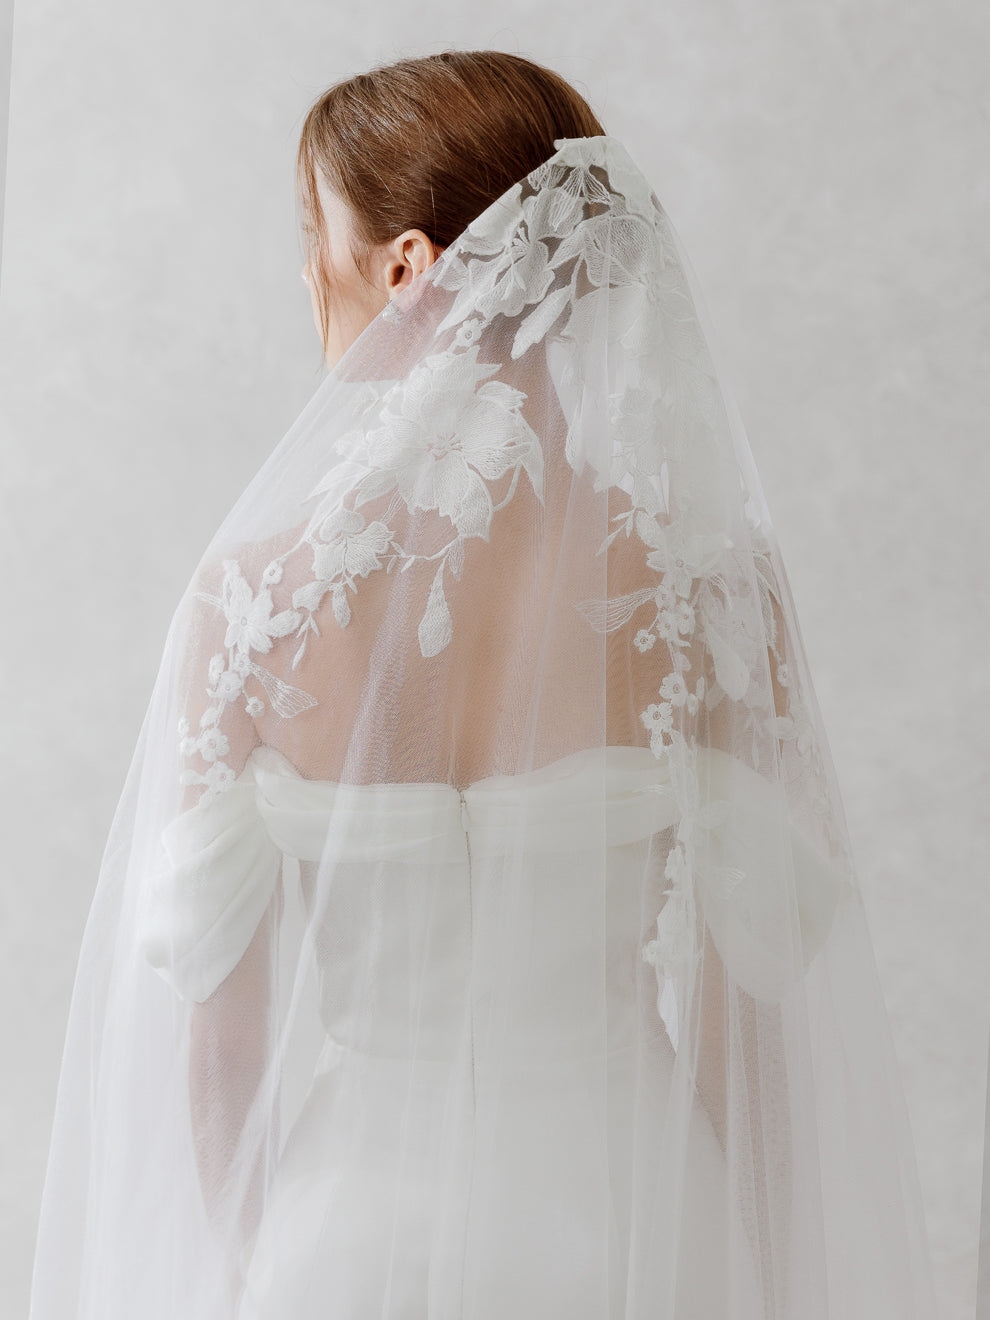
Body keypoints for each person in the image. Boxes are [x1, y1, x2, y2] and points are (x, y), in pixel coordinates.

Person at [28, 49, 939, 1320]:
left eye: (315, 238)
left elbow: (224, 1043)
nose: (305, 279)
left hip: (349, 1243)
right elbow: (752, 1030)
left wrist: (257, 1263)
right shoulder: (706, 584)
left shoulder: (253, 602)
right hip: (633, 1224)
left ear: (401, 269)